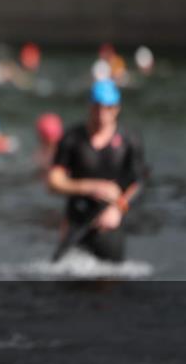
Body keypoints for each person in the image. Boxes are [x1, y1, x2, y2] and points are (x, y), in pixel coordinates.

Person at [46, 80, 145, 262]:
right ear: (90, 106)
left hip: (109, 223)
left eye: (108, 108)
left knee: (108, 280)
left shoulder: (129, 140)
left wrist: (118, 207)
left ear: (116, 108)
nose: (102, 114)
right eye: (97, 107)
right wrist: (90, 187)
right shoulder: (72, 138)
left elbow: (138, 183)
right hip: (77, 217)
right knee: (60, 276)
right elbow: (53, 181)